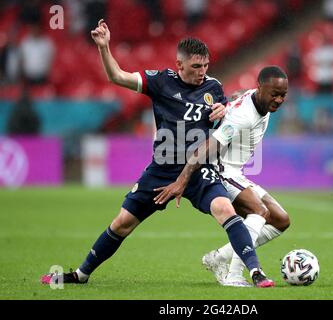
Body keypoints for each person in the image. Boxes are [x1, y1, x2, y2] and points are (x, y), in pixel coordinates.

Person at [41, 20, 274, 288]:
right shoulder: (160, 81)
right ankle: (81, 274)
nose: (203, 72)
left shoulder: (213, 88)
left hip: (198, 170)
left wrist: (221, 114)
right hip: (162, 170)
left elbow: (222, 126)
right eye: (196, 66)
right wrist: (104, 47)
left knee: (224, 208)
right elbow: (116, 76)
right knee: (122, 224)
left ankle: (256, 272)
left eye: (206, 65)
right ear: (180, 65)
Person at [154, 66, 290, 287]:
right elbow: (209, 146)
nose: (279, 99)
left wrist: (230, 102)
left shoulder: (255, 100)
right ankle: (235, 276)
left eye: (283, 95)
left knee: (281, 220)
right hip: (221, 171)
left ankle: (219, 258)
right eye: (274, 93)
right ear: (260, 88)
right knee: (259, 211)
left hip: (237, 173)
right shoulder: (242, 118)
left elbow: (240, 96)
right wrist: (183, 178)